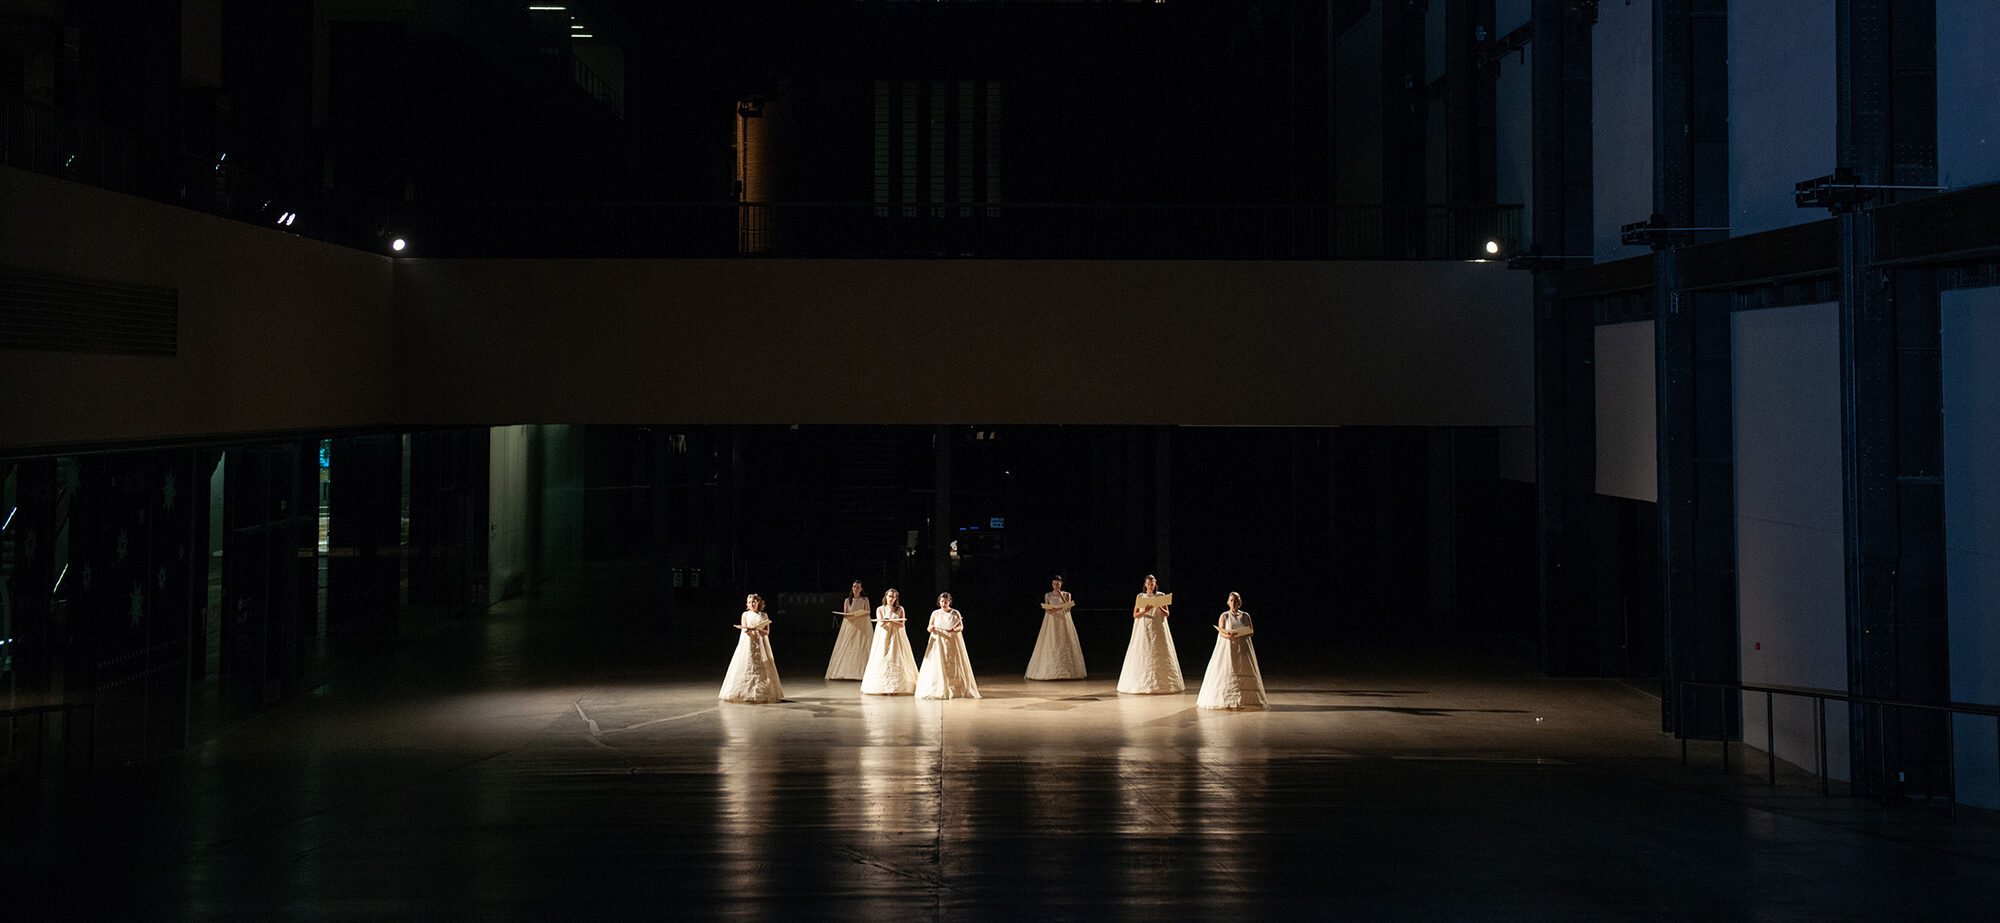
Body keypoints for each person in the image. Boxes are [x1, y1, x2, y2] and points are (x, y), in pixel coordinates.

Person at [1196, 592, 1267, 710]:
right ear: (1228, 602)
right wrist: (1228, 636)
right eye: (1232, 600)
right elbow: (1221, 632)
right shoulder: (1224, 615)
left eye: (1236, 600)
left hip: (1242, 647)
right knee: (1228, 669)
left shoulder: (1245, 615)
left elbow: (1251, 631)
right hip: (1228, 647)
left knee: (1243, 668)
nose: (1234, 602)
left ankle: (1244, 700)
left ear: (1240, 602)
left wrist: (1242, 633)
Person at [1117, 574, 1184, 694]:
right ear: (1145, 584)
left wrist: (1159, 607)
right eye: (1148, 584)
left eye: (1152, 584)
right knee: (1144, 650)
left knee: (1159, 649)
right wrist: (1145, 610)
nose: (1150, 586)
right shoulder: (1140, 596)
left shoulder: (1161, 595)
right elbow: (1135, 615)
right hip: (1145, 627)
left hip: (1158, 627)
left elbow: (1167, 614)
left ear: (1155, 584)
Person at [719, 593, 783, 703]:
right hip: (748, 643)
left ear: (758, 602)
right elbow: (745, 630)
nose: (751, 604)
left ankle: (762, 693)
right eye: (749, 602)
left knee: (762, 666)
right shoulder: (745, 614)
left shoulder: (764, 615)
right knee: (747, 664)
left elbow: (767, 632)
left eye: (753, 602)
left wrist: (758, 629)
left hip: (761, 643)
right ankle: (743, 693)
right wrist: (750, 629)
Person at [916, 592, 981, 699]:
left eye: (946, 602)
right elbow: (929, 627)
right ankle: (937, 687)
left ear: (949, 602)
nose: (944, 604)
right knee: (938, 661)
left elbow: (961, 627)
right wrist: (931, 628)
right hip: (938, 640)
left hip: (951, 640)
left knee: (952, 662)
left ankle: (955, 688)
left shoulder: (955, 613)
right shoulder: (935, 613)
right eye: (942, 601)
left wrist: (954, 630)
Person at [1025, 574, 1086, 680]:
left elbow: (1068, 608)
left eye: (1058, 584)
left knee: (1065, 641)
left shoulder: (1067, 594)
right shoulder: (1048, 595)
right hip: (1052, 620)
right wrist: (1052, 609)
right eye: (1054, 584)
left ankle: (1068, 672)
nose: (1055, 586)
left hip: (1064, 620)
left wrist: (1060, 596)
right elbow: (1047, 610)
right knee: (1051, 640)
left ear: (1061, 584)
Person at [860, 587, 918, 695]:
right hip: (884, 636)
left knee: (896, 657)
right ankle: (882, 687)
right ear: (886, 597)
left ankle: (895, 687)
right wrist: (887, 621)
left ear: (896, 598)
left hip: (896, 636)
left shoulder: (900, 609)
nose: (891, 598)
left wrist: (891, 622)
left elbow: (901, 624)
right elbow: (881, 623)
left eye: (893, 597)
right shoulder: (880, 609)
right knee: (882, 656)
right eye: (889, 596)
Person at [826, 580, 872, 680]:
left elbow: (868, 612)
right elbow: (846, 613)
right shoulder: (847, 600)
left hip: (861, 624)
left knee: (861, 647)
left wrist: (858, 615)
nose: (855, 589)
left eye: (858, 587)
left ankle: (861, 672)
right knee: (848, 646)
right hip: (851, 625)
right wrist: (850, 616)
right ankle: (846, 672)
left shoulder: (864, 599)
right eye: (854, 587)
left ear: (861, 589)